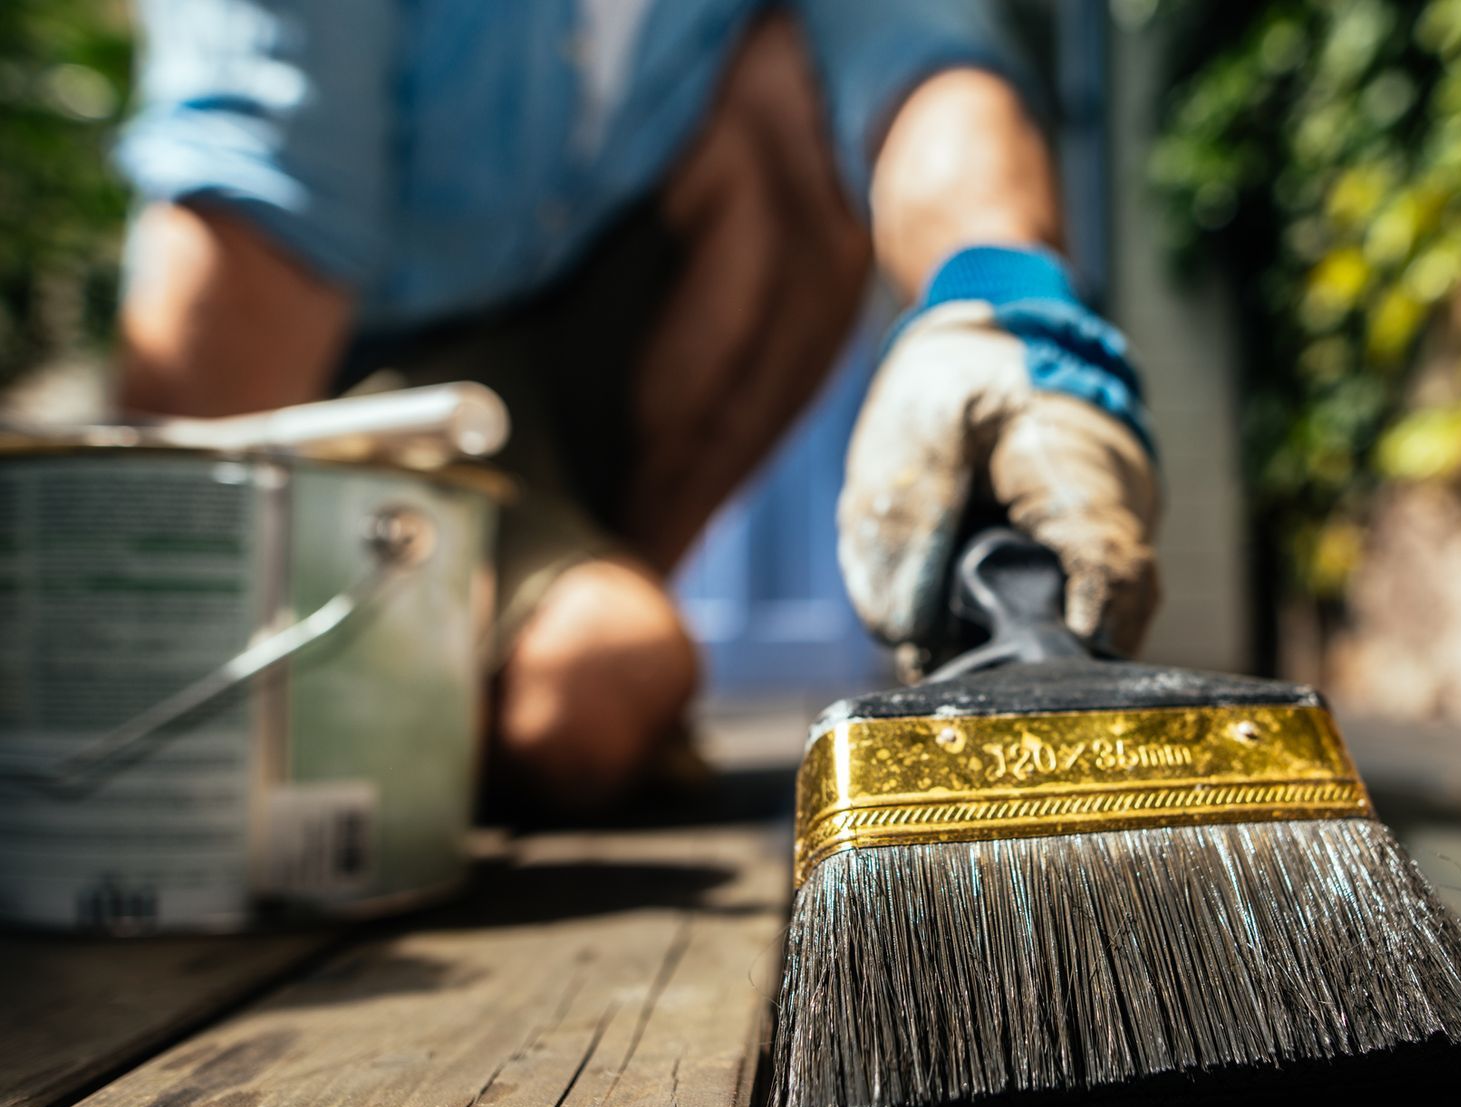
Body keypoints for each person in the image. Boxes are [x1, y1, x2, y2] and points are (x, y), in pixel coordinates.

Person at [114, 0, 1160, 818]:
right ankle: (549, 668)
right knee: (602, 683)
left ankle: (590, 593)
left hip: (562, 361)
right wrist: (156, 678)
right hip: (361, 401)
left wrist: (1009, 321)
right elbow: (246, 237)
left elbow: (926, 68)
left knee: (789, 93)